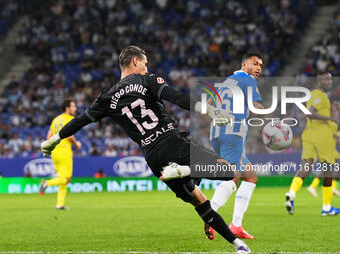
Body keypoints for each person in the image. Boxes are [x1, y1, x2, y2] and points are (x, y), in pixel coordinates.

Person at [41, 45, 250, 253]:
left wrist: (53, 140)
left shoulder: (106, 98)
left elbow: (79, 121)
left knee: (199, 201)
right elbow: (177, 98)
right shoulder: (148, 81)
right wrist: (210, 110)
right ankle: (184, 170)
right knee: (231, 172)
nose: (147, 68)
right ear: (135, 62)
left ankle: (238, 245)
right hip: (171, 143)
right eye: (145, 63)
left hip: (153, 157)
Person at [204, 53, 264, 240]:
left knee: (250, 177)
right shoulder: (249, 81)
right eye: (255, 64)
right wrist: (273, 121)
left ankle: (236, 225)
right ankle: (210, 215)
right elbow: (255, 106)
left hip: (219, 134)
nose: (259, 68)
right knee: (234, 176)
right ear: (244, 65)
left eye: (260, 65)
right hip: (233, 134)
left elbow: (207, 105)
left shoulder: (227, 81)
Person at [285, 72, 340, 216]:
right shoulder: (319, 95)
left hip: (309, 135)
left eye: (330, 79)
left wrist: (332, 110)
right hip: (322, 136)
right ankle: (326, 207)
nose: (329, 82)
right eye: (325, 79)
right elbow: (310, 113)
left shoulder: (315, 96)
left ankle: (291, 193)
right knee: (328, 169)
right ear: (319, 81)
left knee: (306, 167)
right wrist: (331, 118)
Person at [39, 100, 82, 210]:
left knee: (62, 178)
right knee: (67, 179)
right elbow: (69, 136)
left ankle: (60, 204)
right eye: (73, 106)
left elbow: (49, 137)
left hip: (55, 152)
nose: (75, 108)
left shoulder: (55, 120)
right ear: (67, 108)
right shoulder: (70, 119)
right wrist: (77, 144)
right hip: (64, 151)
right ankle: (46, 183)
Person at [307, 101, 340, 197]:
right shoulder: (327, 118)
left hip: (331, 147)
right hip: (327, 147)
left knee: (329, 167)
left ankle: (315, 186)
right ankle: (315, 186)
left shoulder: (334, 121)